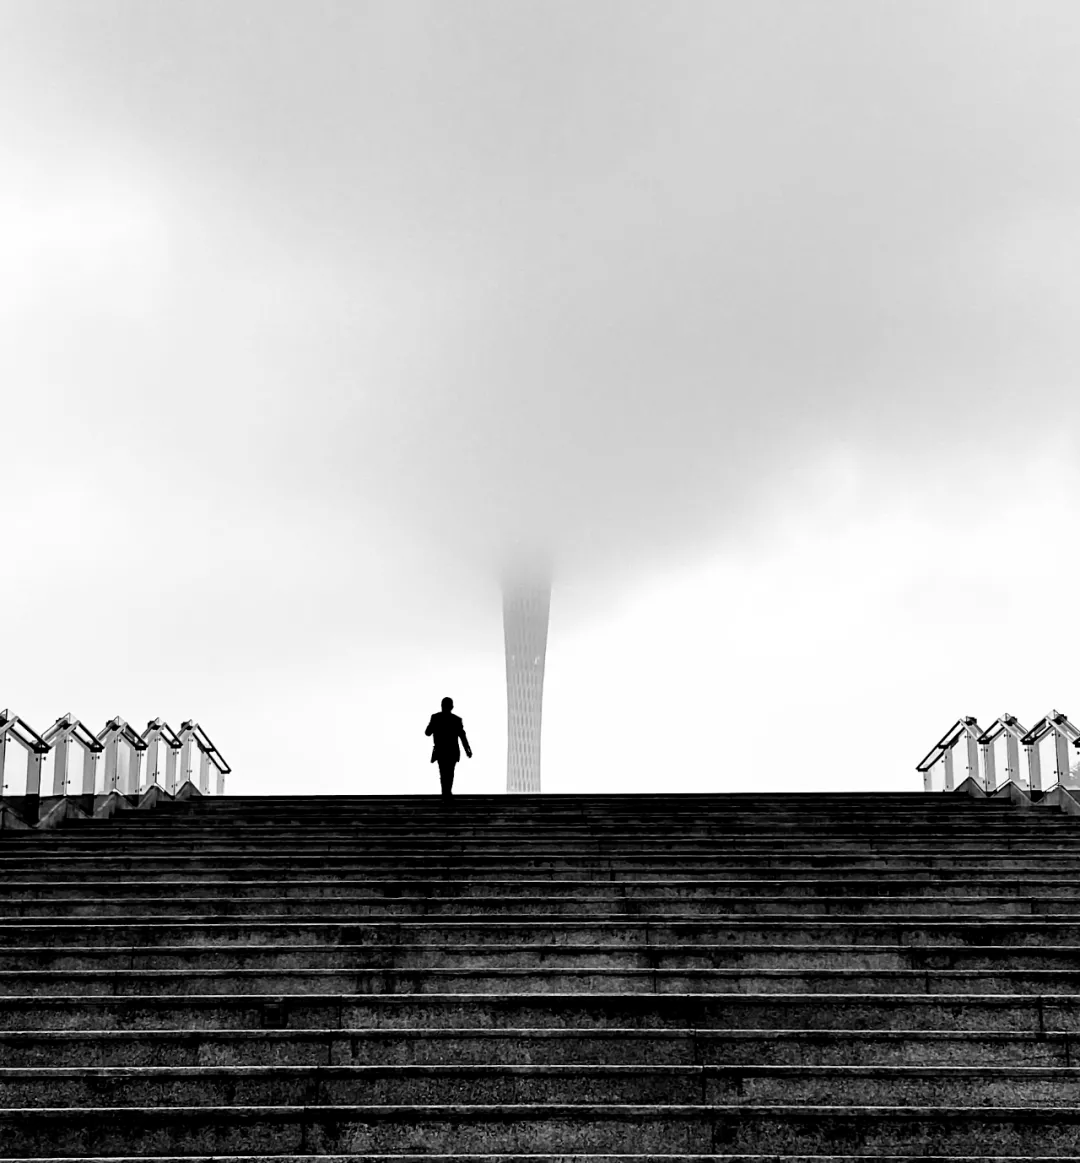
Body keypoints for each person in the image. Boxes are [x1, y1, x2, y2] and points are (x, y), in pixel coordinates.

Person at [425, 696, 472, 796]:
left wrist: (433, 725)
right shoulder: (456, 720)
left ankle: (445, 794)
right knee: (450, 773)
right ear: (452, 707)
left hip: (440, 750)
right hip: (452, 751)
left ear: (441, 706)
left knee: (443, 773)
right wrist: (467, 750)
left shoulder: (435, 718)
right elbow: (462, 736)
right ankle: (447, 793)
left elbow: (427, 732)